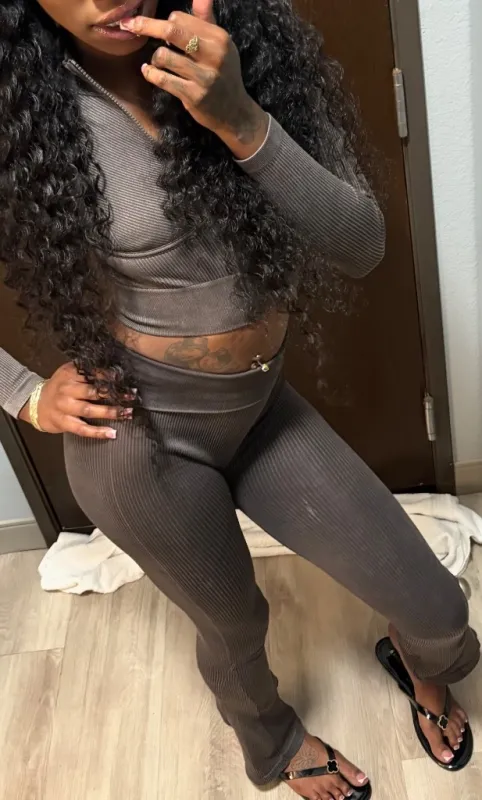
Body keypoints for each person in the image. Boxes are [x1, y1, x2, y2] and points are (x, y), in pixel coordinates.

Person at [0, 1, 478, 798]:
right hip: (138, 440)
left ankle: (416, 655)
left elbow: (361, 244)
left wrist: (241, 119)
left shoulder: (243, 47)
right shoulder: (23, 101)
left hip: (259, 407)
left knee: (436, 606)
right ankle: (273, 742)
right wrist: (24, 393)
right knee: (234, 625)